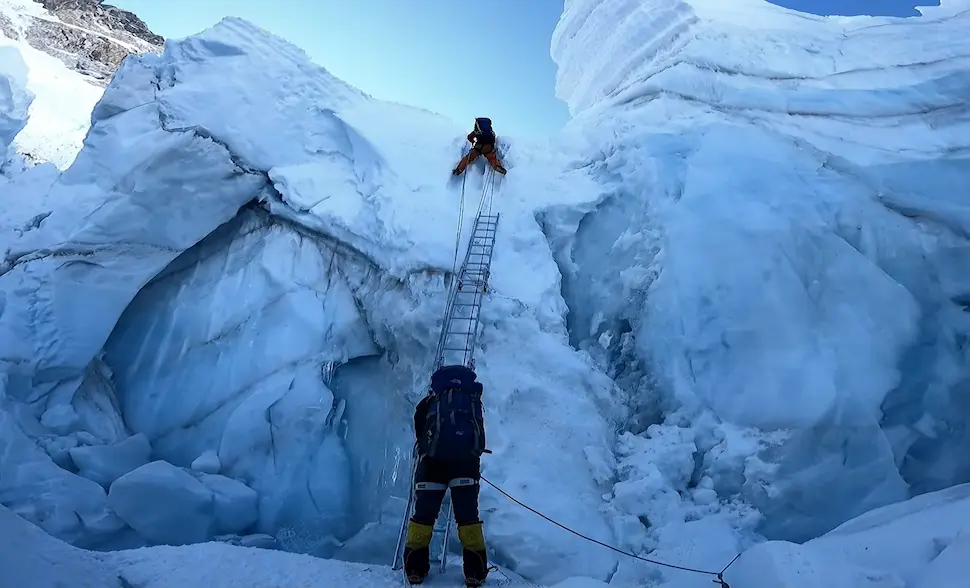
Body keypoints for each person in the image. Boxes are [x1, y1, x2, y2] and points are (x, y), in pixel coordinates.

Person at [403, 365, 489, 587]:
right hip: (465, 466)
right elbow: (479, 436)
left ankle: (415, 569)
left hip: (432, 466)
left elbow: (420, 430)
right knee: (468, 518)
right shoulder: (472, 403)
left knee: (423, 517)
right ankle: (475, 572)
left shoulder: (429, 404)